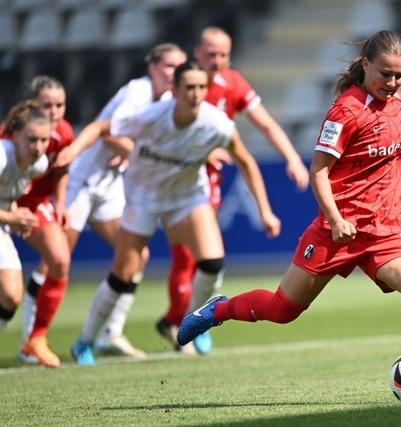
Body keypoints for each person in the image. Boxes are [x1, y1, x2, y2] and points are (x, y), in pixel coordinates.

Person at [176, 31, 401, 401]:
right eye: (386, 74)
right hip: (338, 230)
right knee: (283, 308)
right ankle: (218, 310)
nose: (393, 83)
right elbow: (318, 171)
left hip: (386, 229)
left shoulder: (400, 103)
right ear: (365, 64)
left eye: (400, 75)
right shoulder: (345, 111)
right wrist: (335, 220)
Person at [69, 61, 281, 365]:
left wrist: (265, 210)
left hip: (187, 195)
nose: (196, 94)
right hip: (143, 196)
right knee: (123, 274)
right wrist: (73, 151)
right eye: (189, 87)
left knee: (212, 262)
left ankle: (195, 322)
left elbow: (245, 161)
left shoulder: (217, 123)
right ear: (175, 90)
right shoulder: (151, 116)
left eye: (201, 87)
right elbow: (102, 127)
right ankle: (85, 341)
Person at [153, 26, 310, 353]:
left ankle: (184, 319)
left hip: (207, 180)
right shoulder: (186, 85)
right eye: (211, 54)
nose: (217, 60)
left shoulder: (233, 83)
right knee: (187, 257)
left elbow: (265, 123)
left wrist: (292, 157)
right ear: (196, 53)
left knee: (204, 260)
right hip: (172, 178)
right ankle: (183, 320)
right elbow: (162, 129)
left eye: (223, 54)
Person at [47, 43, 187, 359]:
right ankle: (33, 339)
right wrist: (138, 155)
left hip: (109, 186)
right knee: (56, 260)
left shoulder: (166, 98)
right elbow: (108, 133)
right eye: (168, 66)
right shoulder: (136, 92)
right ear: (151, 66)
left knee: (136, 256)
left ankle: (110, 333)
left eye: (179, 67)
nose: (173, 73)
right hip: (83, 179)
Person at [0, 76, 74, 368]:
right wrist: (10, 216)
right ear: (16, 134)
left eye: (59, 105)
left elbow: (11, 189)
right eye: (32, 140)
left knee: (10, 296)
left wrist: (18, 212)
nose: (40, 146)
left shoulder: (39, 161)